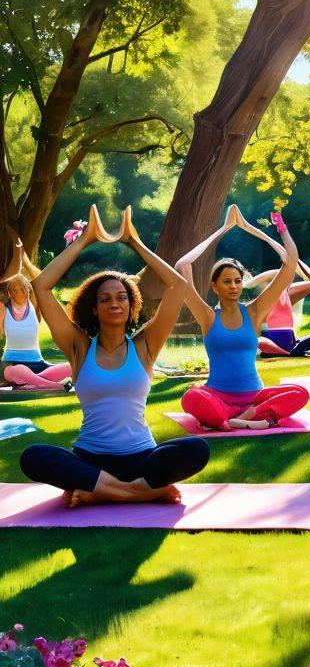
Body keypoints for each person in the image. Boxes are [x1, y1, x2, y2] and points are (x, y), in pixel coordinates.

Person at [19, 207, 210, 506]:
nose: (115, 303)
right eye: (105, 299)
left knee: (197, 449)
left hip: (141, 458)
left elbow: (179, 285)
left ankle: (100, 493)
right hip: (91, 460)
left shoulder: (145, 345)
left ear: (131, 303)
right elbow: (41, 286)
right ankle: (138, 492)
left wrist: (136, 243)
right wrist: (83, 241)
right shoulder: (79, 347)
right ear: (94, 308)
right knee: (33, 457)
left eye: (122, 297)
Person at [176, 206, 310, 430]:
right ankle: (233, 418)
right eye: (227, 281)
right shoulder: (207, 316)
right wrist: (223, 229)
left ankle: (245, 416)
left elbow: (290, 264)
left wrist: (265, 228)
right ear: (215, 287)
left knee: (300, 393)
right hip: (217, 395)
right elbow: (182, 265)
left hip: (254, 397)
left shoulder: (254, 312)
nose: (234, 286)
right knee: (190, 397)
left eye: (237, 281)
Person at [1, 254, 72, 389]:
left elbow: (40, 279)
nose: (19, 293)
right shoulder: (4, 308)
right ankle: (56, 386)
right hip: (11, 364)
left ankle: (30, 383)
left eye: (22, 289)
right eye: (14, 290)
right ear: (9, 293)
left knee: (72, 367)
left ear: (28, 290)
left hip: (38, 363)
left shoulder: (34, 304)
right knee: (19, 371)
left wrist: (23, 256)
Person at [248, 253, 310, 358]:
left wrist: (294, 260)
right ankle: (288, 351)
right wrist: (294, 259)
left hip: (280, 338)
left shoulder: (283, 291)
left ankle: (289, 349)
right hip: (273, 338)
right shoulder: (265, 294)